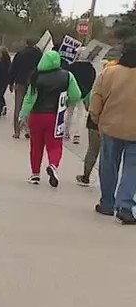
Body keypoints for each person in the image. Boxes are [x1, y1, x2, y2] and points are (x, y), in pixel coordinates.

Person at [18, 49, 82, 187]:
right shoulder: (67, 76)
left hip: (36, 116)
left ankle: (35, 174)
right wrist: (67, 102)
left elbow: (29, 99)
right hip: (55, 116)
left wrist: (23, 115)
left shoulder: (36, 76)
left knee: (36, 146)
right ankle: (53, 165)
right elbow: (76, 95)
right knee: (55, 145)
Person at [90, 43, 136, 224]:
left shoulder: (109, 73)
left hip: (110, 126)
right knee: (132, 169)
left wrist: (95, 115)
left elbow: (97, 96)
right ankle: (125, 205)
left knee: (109, 165)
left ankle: (107, 203)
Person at [9, 38, 43, 139]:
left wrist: (10, 83)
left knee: (18, 108)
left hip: (20, 83)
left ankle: (17, 131)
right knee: (32, 107)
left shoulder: (20, 54)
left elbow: (13, 69)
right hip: (33, 83)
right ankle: (29, 130)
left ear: (25, 43)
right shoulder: (39, 54)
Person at [64, 54, 98, 144]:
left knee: (69, 112)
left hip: (72, 92)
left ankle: (66, 132)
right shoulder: (91, 69)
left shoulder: (72, 67)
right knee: (81, 114)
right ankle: (77, 135)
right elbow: (91, 83)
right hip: (84, 94)